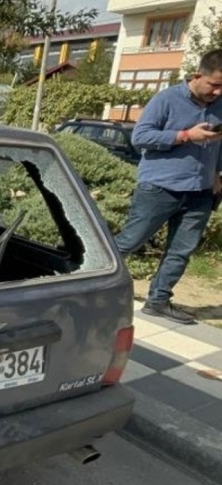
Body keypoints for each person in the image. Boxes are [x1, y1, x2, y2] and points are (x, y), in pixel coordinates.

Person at [115, 49, 222, 324]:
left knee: (181, 250)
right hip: (160, 188)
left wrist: (217, 174)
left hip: (200, 192)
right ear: (198, 75)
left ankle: (159, 300)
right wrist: (186, 135)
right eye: (214, 84)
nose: (218, 92)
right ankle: (83, 282)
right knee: (129, 241)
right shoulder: (166, 99)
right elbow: (140, 137)